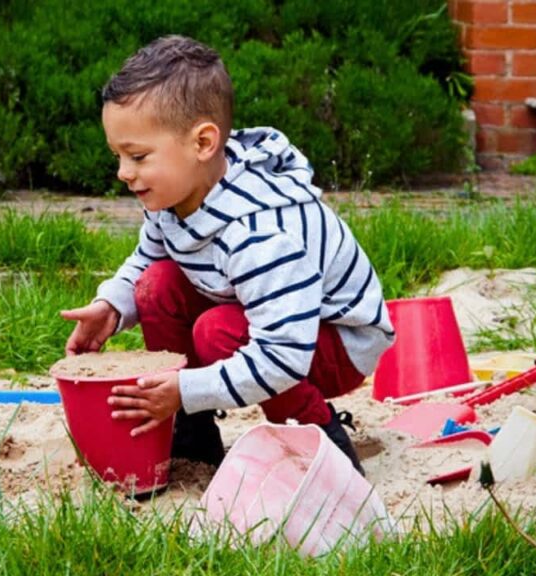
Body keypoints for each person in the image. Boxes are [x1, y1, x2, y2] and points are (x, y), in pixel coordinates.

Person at [60, 35, 394, 475]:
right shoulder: (173, 196)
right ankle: (193, 433)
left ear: (202, 143)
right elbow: (147, 259)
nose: (124, 173)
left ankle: (318, 438)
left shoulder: (259, 233)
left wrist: (187, 386)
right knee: (155, 286)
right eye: (118, 155)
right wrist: (112, 306)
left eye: (138, 156)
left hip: (333, 339)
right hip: (263, 313)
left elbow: (284, 355)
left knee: (217, 331)